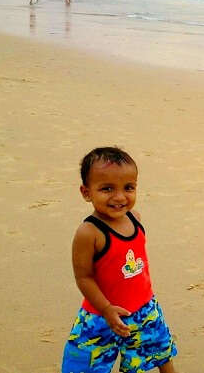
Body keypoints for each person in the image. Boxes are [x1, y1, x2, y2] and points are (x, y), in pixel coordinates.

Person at [61, 147, 178, 373]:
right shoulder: (89, 232)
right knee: (83, 366)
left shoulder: (136, 218)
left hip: (144, 309)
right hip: (100, 317)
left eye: (128, 188)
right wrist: (106, 309)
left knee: (160, 350)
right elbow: (84, 277)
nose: (119, 197)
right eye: (107, 189)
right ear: (86, 192)